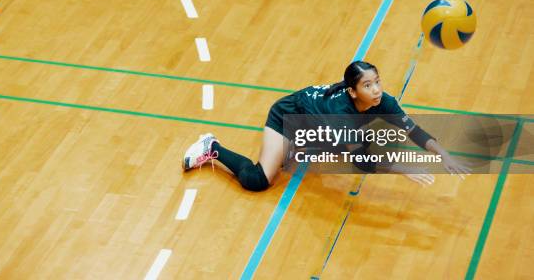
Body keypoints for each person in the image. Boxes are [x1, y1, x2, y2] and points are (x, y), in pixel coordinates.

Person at [182, 61, 470, 191]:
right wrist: (403, 168)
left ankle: (299, 147)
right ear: (353, 92)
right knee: (259, 181)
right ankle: (212, 147)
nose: (377, 89)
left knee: (353, 143)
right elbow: (363, 163)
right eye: (368, 85)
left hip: (315, 123)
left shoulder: (383, 101)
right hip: (286, 118)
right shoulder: (340, 114)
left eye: (378, 81)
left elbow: (414, 131)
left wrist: (443, 154)